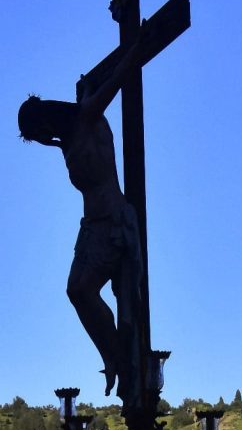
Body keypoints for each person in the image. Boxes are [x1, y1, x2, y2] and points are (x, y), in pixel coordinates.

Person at [18, 33, 147, 406]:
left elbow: (113, 84)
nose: (40, 140)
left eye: (37, 132)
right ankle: (114, 355)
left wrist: (134, 52)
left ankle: (121, 354)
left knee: (80, 290)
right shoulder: (64, 141)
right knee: (76, 291)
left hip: (111, 221)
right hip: (90, 227)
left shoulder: (86, 116)